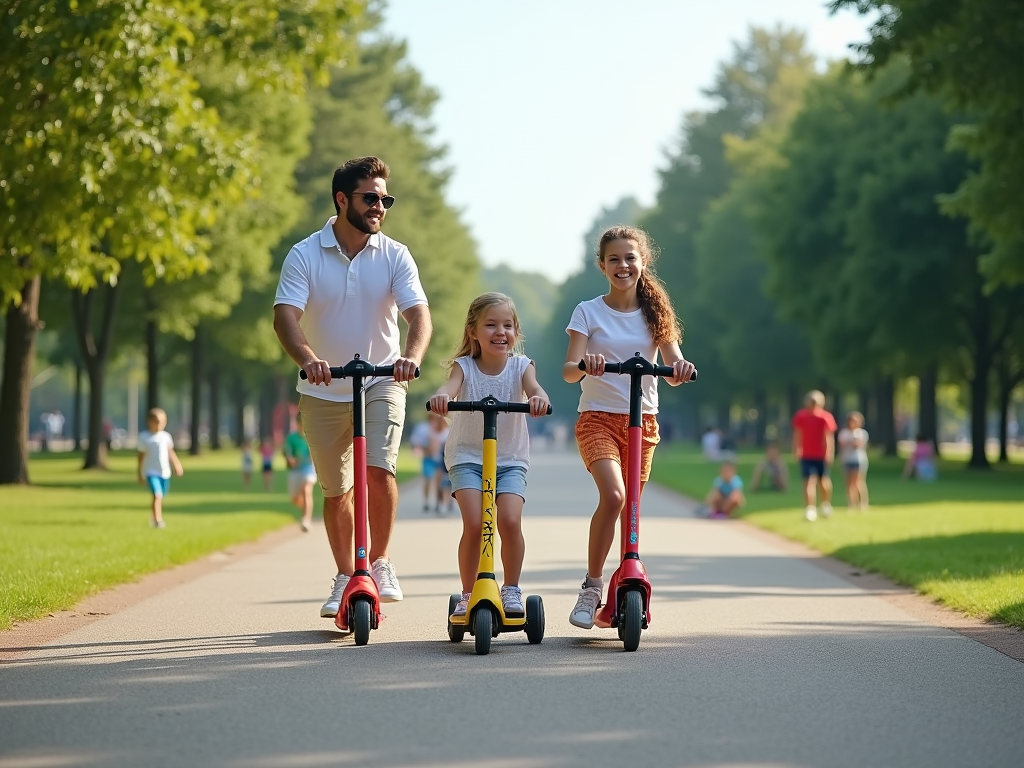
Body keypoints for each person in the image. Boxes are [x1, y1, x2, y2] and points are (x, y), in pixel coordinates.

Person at [273, 156, 431, 619]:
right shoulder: (305, 254)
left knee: (379, 472)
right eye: (371, 198)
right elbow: (285, 315)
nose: (380, 206)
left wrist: (411, 358)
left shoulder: (395, 254)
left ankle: (378, 563)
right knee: (337, 490)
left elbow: (418, 314)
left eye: (386, 199)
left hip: (382, 379)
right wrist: (309, 359)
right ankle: (346, 574)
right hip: (324, 387)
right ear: (343, 200)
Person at [562, 225, 696, 629]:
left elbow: (673, 368)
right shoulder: (588, 311)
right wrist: (588, 364)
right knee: (616, 496)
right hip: (598, 420)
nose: (623, 265)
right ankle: (592, 586)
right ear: (602, 265)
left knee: (631, 507)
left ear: (643, 263)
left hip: (644, 423)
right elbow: (569, 371)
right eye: (615, 259)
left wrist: (681, 369)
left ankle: (627, 576)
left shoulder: (657, 314)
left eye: (630, 258)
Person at [428, 292, 550, 620]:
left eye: (508, 325)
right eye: (491, 325)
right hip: (468, 456)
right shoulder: (464, 367)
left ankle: (511, 587)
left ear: (516, 332)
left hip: (509, 458)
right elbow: (449, 388)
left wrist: (538, 398)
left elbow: (535, 389)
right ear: (473, 332)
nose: (501, 332)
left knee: (509, 520)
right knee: (475, 522)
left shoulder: (521, 367)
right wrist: (441, 397)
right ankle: (469, 593)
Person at [792, 390, 837, 522]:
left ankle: (825, 504)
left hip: (821, 455)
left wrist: (829, 453)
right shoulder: (801, 416)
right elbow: (797, 434)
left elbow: (828, 437)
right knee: (808, 481)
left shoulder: (825, 417)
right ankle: (810, 508)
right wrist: (796, 449)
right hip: (807, 454)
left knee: (823, 481)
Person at [137, 408, 184, 529]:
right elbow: (141, 457)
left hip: (165, 472)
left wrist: (177, 465)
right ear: (149, 421)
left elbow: (170, 452)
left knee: (160, 496)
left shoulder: (166, 437)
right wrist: (139, 473)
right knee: (157, 495)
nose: (159, 424)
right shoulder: (144, 437)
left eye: (161, 422)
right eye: (156, 421)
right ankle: (158, 520)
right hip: (151, 472)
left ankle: (154, 517)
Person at [284, 413, 317, 531]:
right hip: (295, 471)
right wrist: (290, 459)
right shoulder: (291, 438)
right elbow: (288, 452)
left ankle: (306, 519)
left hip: (308, 468)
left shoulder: (311, 437)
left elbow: (315, 453)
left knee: (306, 490)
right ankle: (306, 508)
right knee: (295, 499)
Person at [838, 411, 870, 510]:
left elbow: (858, 445)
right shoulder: (844, 433)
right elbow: (842, 444)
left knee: (859, 482)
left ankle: (863, 504)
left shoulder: (862, 433)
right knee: (849, 484)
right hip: (847, 460)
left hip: (858, 460)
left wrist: (851, 440)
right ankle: (851, 504)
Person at [407, 417, 436, 512]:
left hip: (441, 458)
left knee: (441, 482)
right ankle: (426, 501)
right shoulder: (422, 428)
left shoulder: (444, 425)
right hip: (428, 457)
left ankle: (441, 502)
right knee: (428, 479)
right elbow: (415, 441)